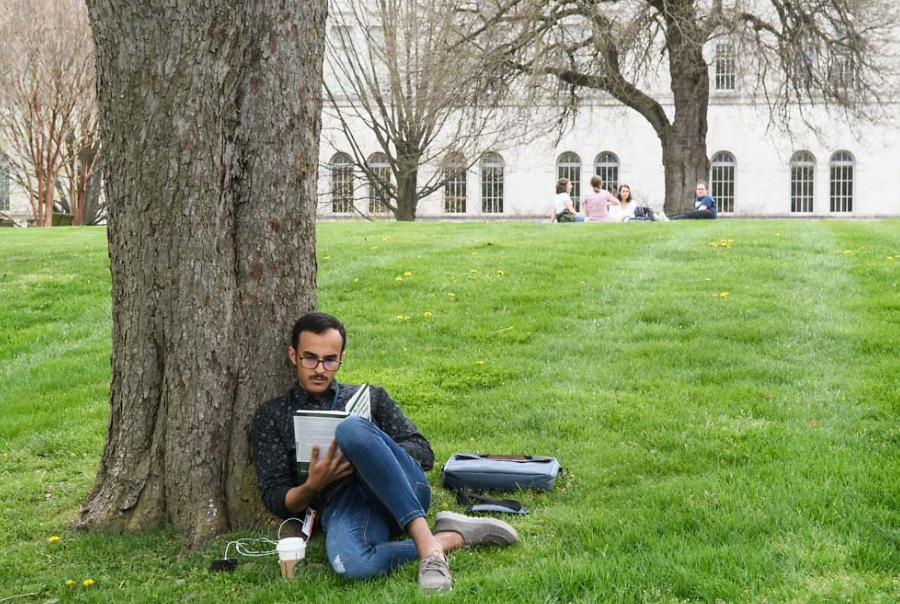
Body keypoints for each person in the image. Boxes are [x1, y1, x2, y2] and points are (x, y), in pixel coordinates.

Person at [251, 312, 517, 592]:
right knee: (352, 565)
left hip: (402, 490)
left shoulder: (370, 396)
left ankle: (428, 550)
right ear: (293, 355)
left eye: (330, 360)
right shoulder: (272, 417)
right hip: (343, 506)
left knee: (351, 429)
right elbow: (276, 497)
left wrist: (371, 456)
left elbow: (423, 452)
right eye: (309, 358)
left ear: (341, 358)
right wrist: (313, 485)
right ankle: (449, 538)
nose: (320, 369)